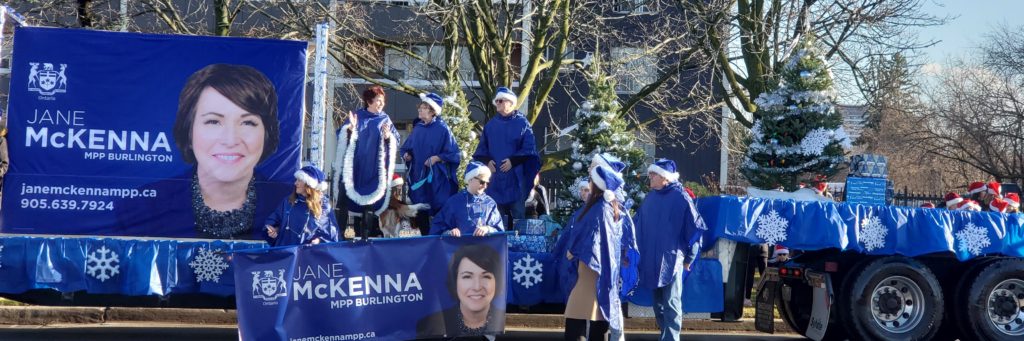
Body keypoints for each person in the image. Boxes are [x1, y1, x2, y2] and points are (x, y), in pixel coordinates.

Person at [118, 64, 290, 239]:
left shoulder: (290, 204)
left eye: (247, 123)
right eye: (213, 122)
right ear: (189, 130)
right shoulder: (140, 208)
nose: (230, 140)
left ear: (267, 133)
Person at [562, 164, 638, 341]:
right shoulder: (609, 206)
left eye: (591, 180)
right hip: (601, 268)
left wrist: (575, 250)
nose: (588, 183)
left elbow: (592, 236)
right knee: (597, 313)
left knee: (578, 315)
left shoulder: (599, 208)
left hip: (591, 267)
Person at [634, 159, 706, 341]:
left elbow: (694, 228)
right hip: (651, 259)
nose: (649, 177)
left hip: (672, 260)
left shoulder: (681, 197)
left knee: (671, 302)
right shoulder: (650, 198)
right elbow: (637, 225)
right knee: (657, 303)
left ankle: (671, 338)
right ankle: (665, 334)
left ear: (665, 178)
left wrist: (689, 258)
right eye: (650, 174)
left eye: (653, 174)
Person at [333, 85, 400, 239]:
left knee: (369, 200)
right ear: (369, 101)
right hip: (354, 168)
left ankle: (366, 236)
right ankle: (340, 235)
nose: (381, 104)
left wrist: (388, 136)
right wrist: (349, 128)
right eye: (378, 100)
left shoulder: (385, 119)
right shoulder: (357, 116)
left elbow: (395, 140)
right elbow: (341, 136)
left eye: (383, 101)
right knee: (343, 199)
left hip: (373, 168)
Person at [472, 87, 540, 231]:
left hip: (515, 179)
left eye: (500, 100)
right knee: (496, 216)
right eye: (496, 101)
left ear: (511, 103)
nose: (497, 103)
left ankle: (519, 249)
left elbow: (530, 149)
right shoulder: (490, 125)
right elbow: (482, 148)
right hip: (495, 179)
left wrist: (513, 161)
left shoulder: (523, 124)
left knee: (518, 216)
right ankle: (498, 248)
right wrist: (487, 161)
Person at [400, 92, 461, 235]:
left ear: (433, 111)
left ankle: (439, 242)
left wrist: (437, 158)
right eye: (420, 107)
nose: (420, 110)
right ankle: (425, 241)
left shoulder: (443, 129)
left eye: (424, 107)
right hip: (419, 178)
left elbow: (454, 154)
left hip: (437, 180)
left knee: (439, 209)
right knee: (421, 210)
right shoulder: (418, 129)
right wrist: (406, 155)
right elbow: (404, 148)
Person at [416, 244, 506, 339]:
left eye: (486, 276)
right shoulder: (430, 324)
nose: (477, 287)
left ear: (497, 281)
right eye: (467, 277)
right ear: (455, 281)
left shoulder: (504, 325)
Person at [264, 165, 340, 246]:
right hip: (287, 254)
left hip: (309, 255)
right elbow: (274, 220)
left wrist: (319, 241)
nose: (295, 183)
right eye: (296, 180)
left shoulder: (323, 206)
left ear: (309, 184)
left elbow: (331, 234)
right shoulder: (288, 202)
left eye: (299, 180)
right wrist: (274, 230)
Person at [430, 162, 504, 237]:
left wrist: (488, 229)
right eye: (482, 182)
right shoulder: (454, 202)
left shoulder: (490, 203)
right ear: (470, 179)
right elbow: (437, 229)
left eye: (487, 183)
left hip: (485, 248)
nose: (485, 186)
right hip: (459, 247)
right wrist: (450, 232)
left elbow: (500, 231)